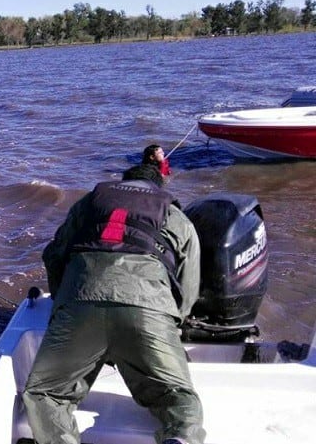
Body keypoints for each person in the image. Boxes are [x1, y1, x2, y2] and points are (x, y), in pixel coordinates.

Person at [22, 164, 205, 444]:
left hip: (79, 303)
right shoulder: (177, 217)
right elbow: (189, 286)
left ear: (122, 183)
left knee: (46, 394)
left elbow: (54, 255)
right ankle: (180, 437)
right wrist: (171, 323)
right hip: (149, 310)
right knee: (180, 399)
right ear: (159, 188)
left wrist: (61, 306)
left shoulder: (87, 205)